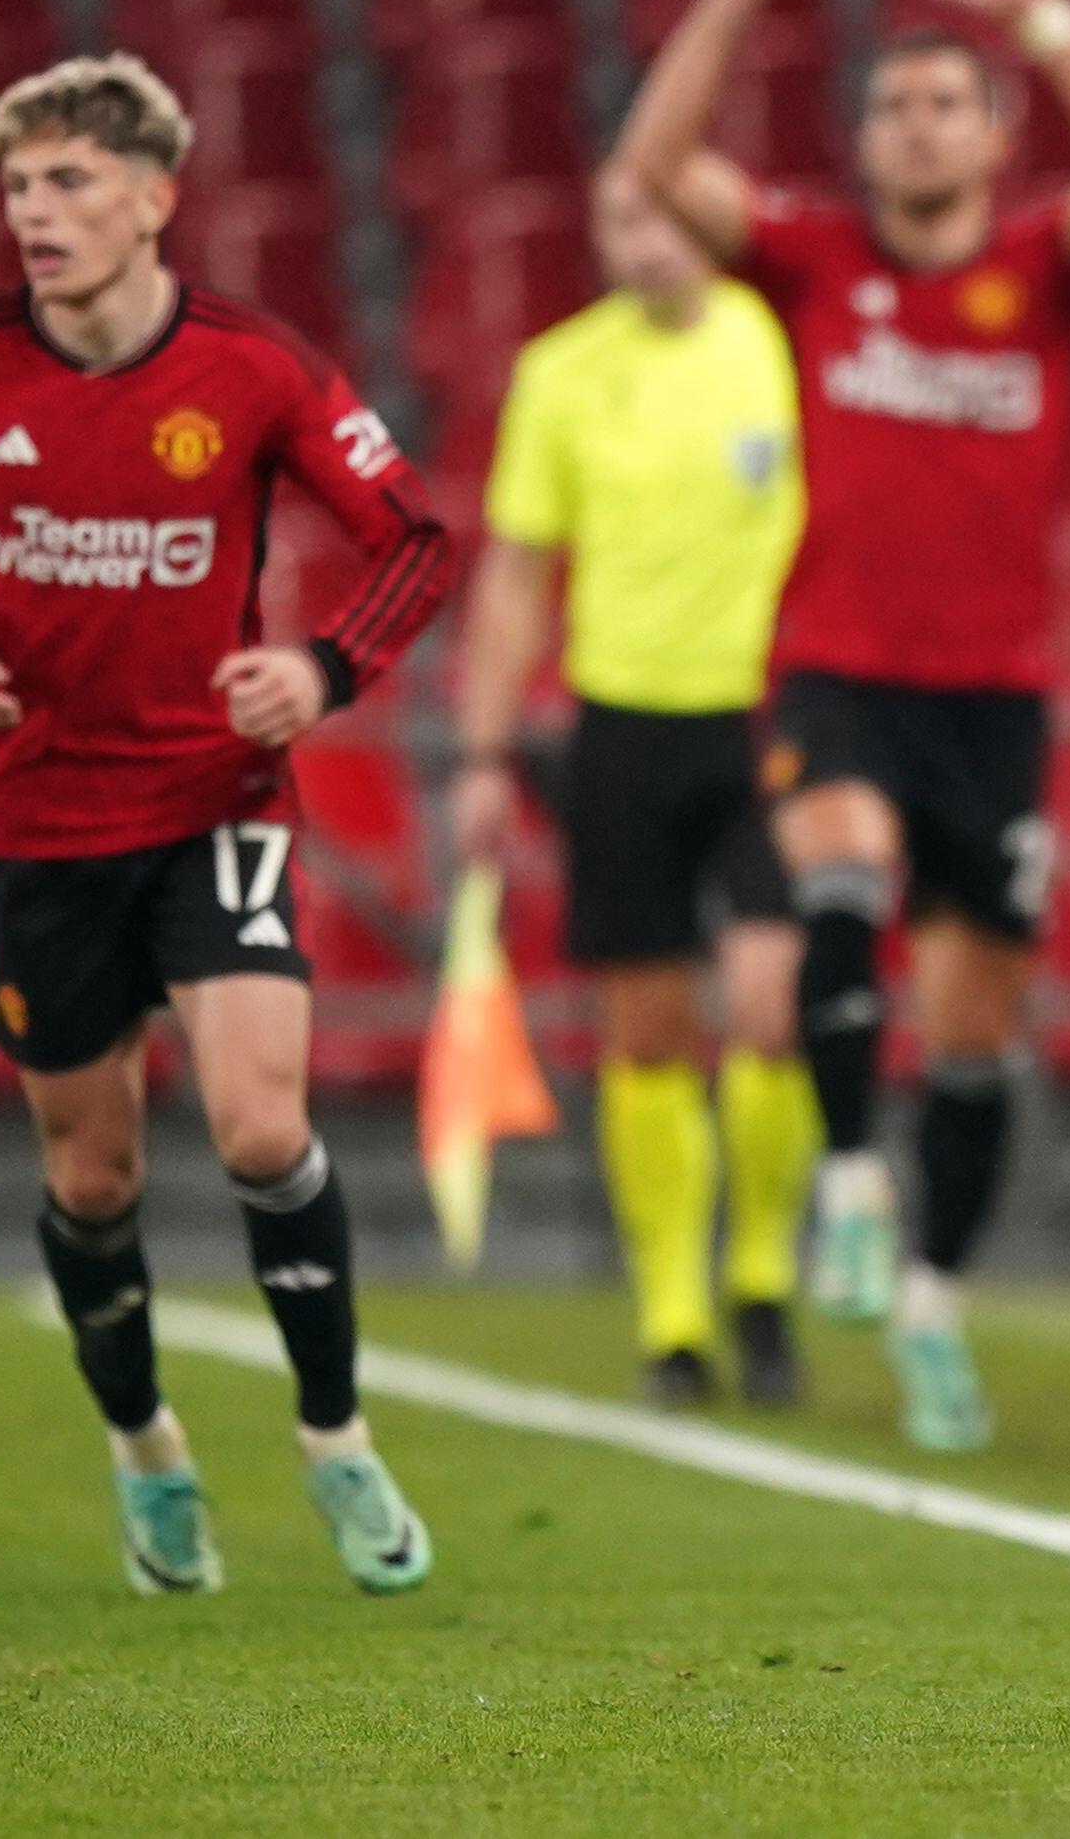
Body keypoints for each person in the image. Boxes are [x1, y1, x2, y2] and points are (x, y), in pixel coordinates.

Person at [0, 53, 454, 1594]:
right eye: (20, 186)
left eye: (71, 182)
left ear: (155, 198)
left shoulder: (255, 366)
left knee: (260, 1123)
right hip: (44, 822)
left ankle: (334, 1433)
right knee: (91, 1178)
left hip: (217, 805)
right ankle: (146, 1445)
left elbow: (413, 536)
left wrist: (324, 663)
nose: (36, 212)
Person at [611, 0, 1070, 1451]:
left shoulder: (1040, 273)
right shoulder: (809, 261)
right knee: (838, 886)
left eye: (946, 103)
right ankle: (851, 1184)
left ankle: (931, 1297)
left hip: (994, 700)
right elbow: (654, 166)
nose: (916, 127)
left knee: (978, 1027)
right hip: (838, 670)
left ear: (995, 136)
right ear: (861, 139)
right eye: (891, 105)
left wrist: (1041, 16)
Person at [445, 169, 822, 1411]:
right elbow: (514, 571)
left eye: (665, 217)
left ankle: (763, 1275)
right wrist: (487, 753)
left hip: (765, 718)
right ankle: (674, 1308)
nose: (646, 245)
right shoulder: (561, 372)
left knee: (773, 1004)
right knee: (648, 1029)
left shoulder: (778, 339)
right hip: (623, 727)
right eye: (619, 221)